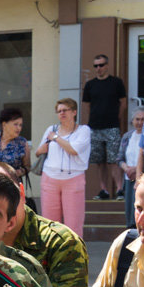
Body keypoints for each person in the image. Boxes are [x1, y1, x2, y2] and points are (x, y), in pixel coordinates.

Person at [35, 98, 90, 237]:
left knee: (74, 224)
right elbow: (38, 152)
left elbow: (73, 150)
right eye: (59, 111)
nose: (62, 113)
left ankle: (74, 256)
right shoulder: (51, 129)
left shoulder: (83, 130)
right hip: (50, 178)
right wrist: (42, 148)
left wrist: (55, 138)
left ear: (74, 112)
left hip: (73, 178)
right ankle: (51, 255)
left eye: (65, 110)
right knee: (50, 224)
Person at [82, 54, 128, 201]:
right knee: (99, 161)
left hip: (112, 126)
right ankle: (104, 190)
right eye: (96, 66)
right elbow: (88, 105)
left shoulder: (116, 82)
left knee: (114, 160)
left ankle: (120, 190)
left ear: (107, 65)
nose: (98, 68)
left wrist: (117, 119)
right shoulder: (90, 85)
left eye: (101, 65)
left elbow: (123, 103)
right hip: (95, 127)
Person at [120, 107, 144, 229]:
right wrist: (126, 168)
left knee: (140, 209)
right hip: (128, 178)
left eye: (143, 119)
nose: (139, 122)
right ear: (132, 121)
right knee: (129, 210)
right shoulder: (127, 136)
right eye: (137, 119)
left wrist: (136, 169)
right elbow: (119, 158)